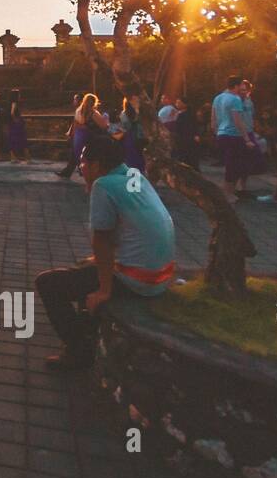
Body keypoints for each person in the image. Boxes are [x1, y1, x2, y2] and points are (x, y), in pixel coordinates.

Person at [35, 136, 175, 370]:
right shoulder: (134, 175)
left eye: (83, 164)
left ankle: (78, 351)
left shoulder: (104, 185)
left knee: (48, 283)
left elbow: (102, 240)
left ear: (97, 165)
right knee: (85, 268)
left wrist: (104, 290)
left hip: (138, 279)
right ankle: (88, 331)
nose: (81, 169)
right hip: (161, 274)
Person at [211, 75, 261, 198]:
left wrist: (216, 132)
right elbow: (238, 121)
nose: (242, 89)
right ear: (236, 86)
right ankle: (228, 194)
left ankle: (230, 193)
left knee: (231, 164)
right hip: (233, 135)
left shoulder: (218, 98)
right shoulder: (235, 99)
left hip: (222, 134)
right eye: (241, 86)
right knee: (234, 166)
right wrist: (247, 139)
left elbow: (213, 118)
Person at [58, 93, 106, 179]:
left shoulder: (80, 111)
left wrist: (72, 134)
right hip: (93, 138)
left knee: (76, 153)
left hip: (81, 136)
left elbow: (76, 124)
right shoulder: (93, 113)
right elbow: (104, 126)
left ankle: (68, 171)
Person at [114, 96, 145, 172]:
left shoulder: (123, 114)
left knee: (129, 159)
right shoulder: (138, 113)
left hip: (128, 139)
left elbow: (121, 128)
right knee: (139, 158)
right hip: (139, 138)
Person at [7, 89, 30, 163]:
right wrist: (15, 120)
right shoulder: (14, 103)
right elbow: (12, 113)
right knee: (21, 138)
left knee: (13, 138)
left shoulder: (10, 103)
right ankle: (26, 157)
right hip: (16, 123)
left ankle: (13, 157)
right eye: (19, 94)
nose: (20, 96)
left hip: (12, 123)